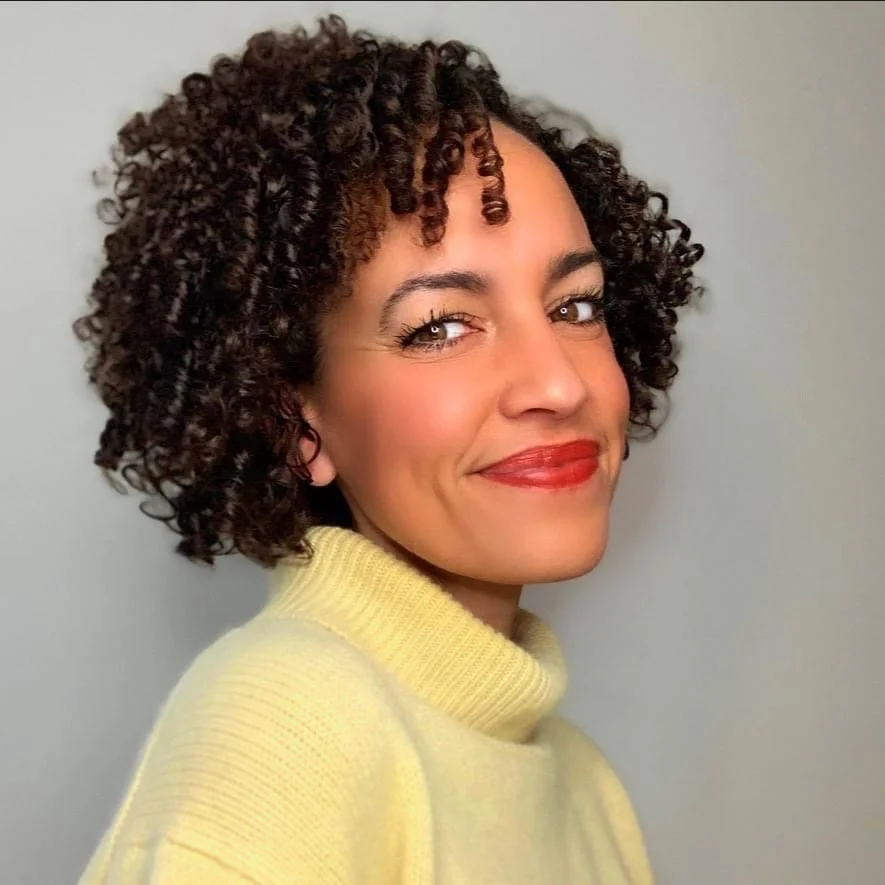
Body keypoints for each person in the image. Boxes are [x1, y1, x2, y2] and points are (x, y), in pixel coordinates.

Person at [74, 15, 703, 885]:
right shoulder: (283, 728)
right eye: (440, 326)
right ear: (295, 420)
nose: (556, 384)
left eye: (575, 307)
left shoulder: (582, 785)